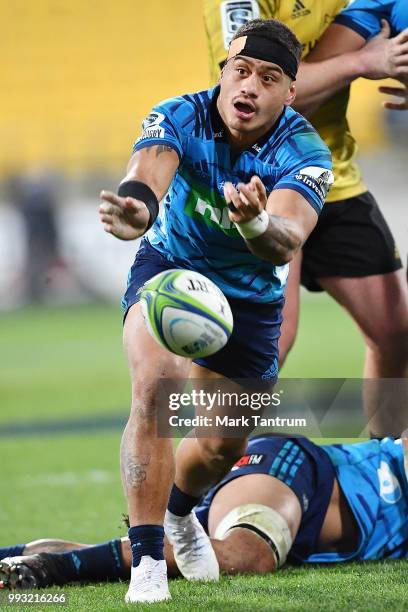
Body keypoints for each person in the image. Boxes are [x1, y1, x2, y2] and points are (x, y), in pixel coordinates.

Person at [98, 18, 333, 603]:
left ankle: (181, 512)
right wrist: (135, 210)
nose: (249, 87)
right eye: (241, 71)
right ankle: (148, 561)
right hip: (169, 272)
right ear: (224, 72)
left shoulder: (306, 152)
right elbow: (146, 174)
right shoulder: (179, 114)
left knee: (221, 445)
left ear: (290, 93)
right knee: (155, 389)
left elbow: (284, 238)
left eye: (268, 78)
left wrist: (254, 221)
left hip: (250, 299)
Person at [204, 0, 408, 438]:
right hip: (262, 182)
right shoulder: (239, 4)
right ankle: (209, 471)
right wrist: (364, 60)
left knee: (395, 332)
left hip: (334, 181)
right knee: (273, 340)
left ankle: (386, 470)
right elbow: (263, 95)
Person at [2, 433, 408, 589]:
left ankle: (25, 559)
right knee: (248, 554)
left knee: (197, 559)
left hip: (299, 522)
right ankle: (48, 571)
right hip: (304, 476)